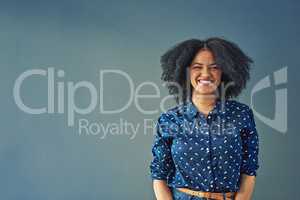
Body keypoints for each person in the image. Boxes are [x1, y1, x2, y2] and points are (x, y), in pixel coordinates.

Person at [149, 38, 259, 200]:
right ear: (185, 72)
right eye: (197, 67)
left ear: (224, 72)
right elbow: (159, 174)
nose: (206, 74)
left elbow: (249, 171)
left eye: (214, 67)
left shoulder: (241, 115)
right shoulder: (169, 120)